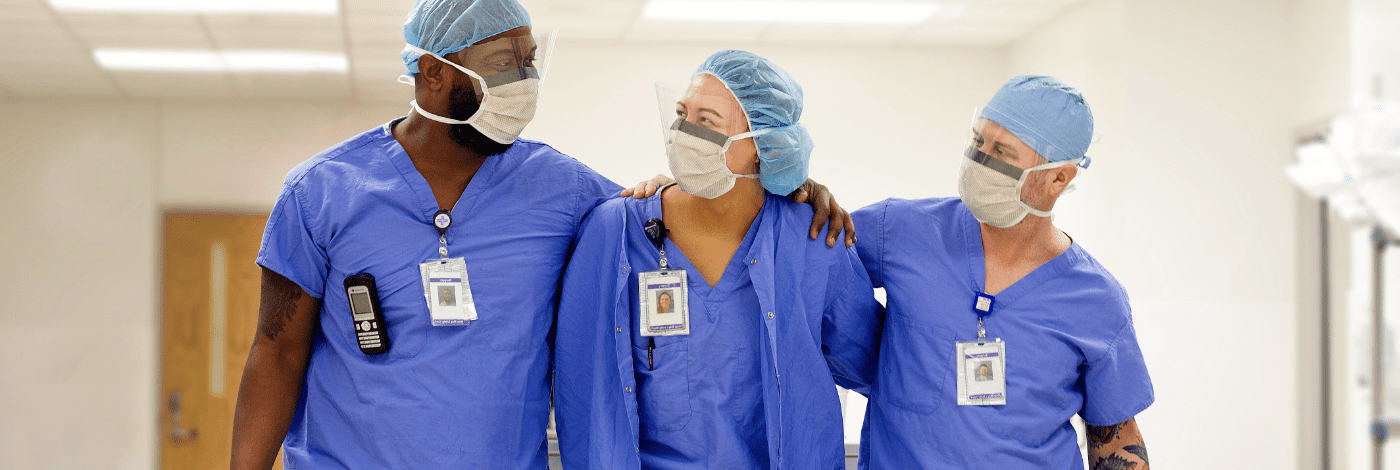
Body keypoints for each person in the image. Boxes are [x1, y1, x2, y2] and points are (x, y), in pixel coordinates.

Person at [228, 1, 854, 468]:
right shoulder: (322, 192)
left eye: (529, 64)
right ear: (430, 74)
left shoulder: (561, 189)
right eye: (503, 66)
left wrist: (790, 183)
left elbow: (680, 210)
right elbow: (276, 351)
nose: (523, 84)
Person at [553, 50, 884, 469]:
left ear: (763, 146)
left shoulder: (810, 239)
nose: (684, 132)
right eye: (681, 114)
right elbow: (586, 388)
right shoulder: (615, 232)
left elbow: (886, 372)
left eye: (707, 121)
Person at [852, 76, 1153, 469]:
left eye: (1002, 153)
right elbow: (804, 263)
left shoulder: (1097, 301)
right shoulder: (903, 230)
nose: (979, 161)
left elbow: (1115, 443)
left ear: (1058, 178)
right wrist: (802, 196)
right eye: (978, 143)